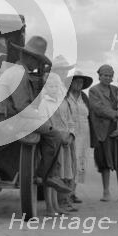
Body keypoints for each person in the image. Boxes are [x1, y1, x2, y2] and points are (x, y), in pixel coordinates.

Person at [0, 36, 71, 194]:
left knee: (47, 129)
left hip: (9, 119)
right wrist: (42, 118)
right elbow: (22, 107)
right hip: (11, 121)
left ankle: (46, 172)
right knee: (55, 135)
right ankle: (47, 175)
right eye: (37, 61)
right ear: (28, 57)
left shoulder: (15, 72)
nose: (38, 65)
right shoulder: (19, 74)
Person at [89, 64, 118, 202]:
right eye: (105, 75)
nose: (107, 78)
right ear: (99, 75)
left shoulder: (117, 89)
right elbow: (98, 109)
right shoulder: (94, 91)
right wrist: (116, 114)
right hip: (103, 131)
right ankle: (106, 192)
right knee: (105, 163)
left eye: (110, 76)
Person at [39, 72, 75, 213]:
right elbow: (46, 123)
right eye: (50, 86)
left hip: (66, 142)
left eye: (56, 85)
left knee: (59, 175)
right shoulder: (44, 103)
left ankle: (56, 205)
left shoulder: (63, 102)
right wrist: (60, 136)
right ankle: (49, 207)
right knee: (52, 174)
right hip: (52, 144)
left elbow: (70, 120)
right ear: (45, 88)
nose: (53, 88)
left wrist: (70, 135)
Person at [64, 69, 93, 205]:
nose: (79, 84)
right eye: (76, 81)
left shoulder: (84, 98)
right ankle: (65, 194)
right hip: (69, 132)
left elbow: (90, 116)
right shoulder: (65, 96)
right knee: (69, 163)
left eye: (81, 82)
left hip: (84, 134)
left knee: (80, 163)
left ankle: (73, 192)